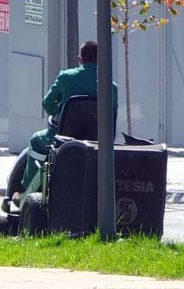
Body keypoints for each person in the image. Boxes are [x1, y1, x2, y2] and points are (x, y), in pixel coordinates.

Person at [18, 41, 118, 198]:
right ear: (99, 60)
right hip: (97, 141)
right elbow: (112, 116)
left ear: (80, 59)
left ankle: (27, 193)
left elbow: (47, 103)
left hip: (64, 139)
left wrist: (58, 113)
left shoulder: (66, 78)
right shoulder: (111, 86)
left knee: (36, 140)